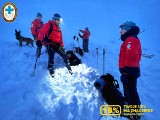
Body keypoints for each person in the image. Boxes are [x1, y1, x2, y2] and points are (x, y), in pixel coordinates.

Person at [36, 13, 72, 77]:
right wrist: (39, 40)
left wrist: (62, 46)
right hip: (50, 43)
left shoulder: (59, 28)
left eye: (60, 21)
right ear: (54, 19)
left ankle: (68, 65)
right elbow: (41, 32)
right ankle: (50, 68)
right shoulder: (48, 25)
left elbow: (61, 38)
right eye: (58, 20)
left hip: (57, 45)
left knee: (64, 54)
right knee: (51, 54)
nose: (59, 22)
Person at [119, 21, 142, 119]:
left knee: (131, 92)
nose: (120, 32)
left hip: (129, 71)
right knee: (130, 91)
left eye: (122, 29)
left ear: (127, 29)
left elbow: (132, 57)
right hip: (130, 71)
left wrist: (125, 72)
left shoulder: (131, 40)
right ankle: (133, 110)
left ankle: (135, 114)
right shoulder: (130, 39)